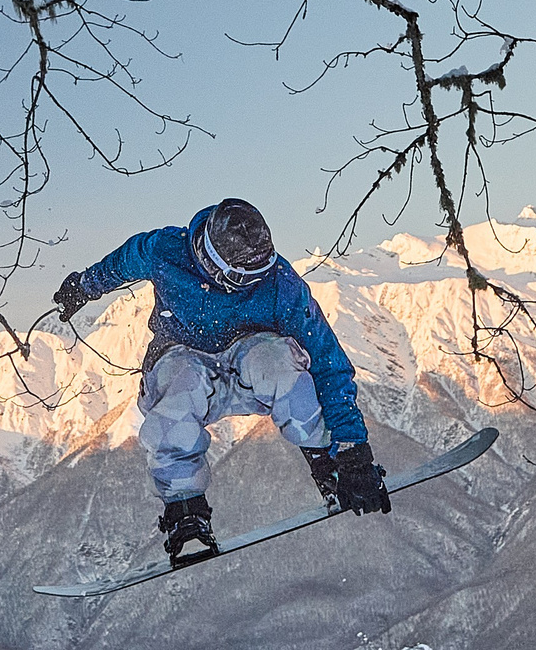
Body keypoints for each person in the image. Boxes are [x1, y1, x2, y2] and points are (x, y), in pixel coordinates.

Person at [54, 197, 389, 562]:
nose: (255, 285)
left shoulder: (281, 282)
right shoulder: (165, 250)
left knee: (281, 364)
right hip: (182, 354)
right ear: (212, 263)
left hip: (250, 360)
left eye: (262, 273)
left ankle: (328, 464)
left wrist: (352, 448)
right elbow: (122, 262)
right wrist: (84, 287)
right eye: (243, 279)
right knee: (179, 390)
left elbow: (326, 359)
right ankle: (185, 509)